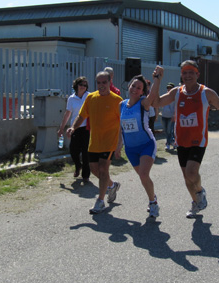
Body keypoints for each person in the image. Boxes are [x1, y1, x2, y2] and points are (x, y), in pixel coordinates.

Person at [155, 60, 219, 218]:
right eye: (184, 73)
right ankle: (196, 202)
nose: (187, 76)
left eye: (191, 72)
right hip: (181, 140)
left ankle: (200, 191)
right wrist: (157, 80)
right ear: (181, 75)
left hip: (198, 140)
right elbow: (157, 102)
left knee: (192, 172)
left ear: (197, 74)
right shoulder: (177, 92)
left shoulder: (206, 93)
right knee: (186, 177)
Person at [67, 71, 122, 214]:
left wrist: (120, 144)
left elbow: (122, 123)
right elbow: (82, 115)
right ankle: (112, 185)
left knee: (104, 169)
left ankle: (100, 201)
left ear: (110, 82)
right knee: (94, 170)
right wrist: (73, 127)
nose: (101, 85)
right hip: (94, 141)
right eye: (99, 82)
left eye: (104, 82)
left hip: (109, 141)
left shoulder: (117, 100)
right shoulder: (91, 98)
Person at [119, 67, 163, 218]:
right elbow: (121, 129)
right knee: (143, 178)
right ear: (129, 86)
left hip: (146, 144)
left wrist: (157, 78)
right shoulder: (122, 105)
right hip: (130, 149)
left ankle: (153, 203)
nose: (135, 89)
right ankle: (154, 197)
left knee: (144, 175)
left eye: (139, 88)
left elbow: (153, 96)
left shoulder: (143, 103)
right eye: (133, 86)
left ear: (142, 91)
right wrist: (118, 148)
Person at [58, 76, 90, 182]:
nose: (83, 87)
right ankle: (78, 165)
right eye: (81, 84)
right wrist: (61, 128)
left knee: (86, 152)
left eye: (85, 85)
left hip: (87, 127)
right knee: (73, 150)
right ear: (76, 85)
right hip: (75, 127)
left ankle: (86, 175)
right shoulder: (71, 98)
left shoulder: (89, 96)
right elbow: (68, 114)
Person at [160, 82, 176, 150]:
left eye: (170, 88)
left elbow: (176, 107)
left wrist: (174, 115)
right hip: (164, 116)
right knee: (166, 131)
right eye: (168, 88)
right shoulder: (165, 96)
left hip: (171, 116)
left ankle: (168, 143)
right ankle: (173, 141)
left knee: (170, 131)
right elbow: (161, 104)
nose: (169, 89)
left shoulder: (175, 97)